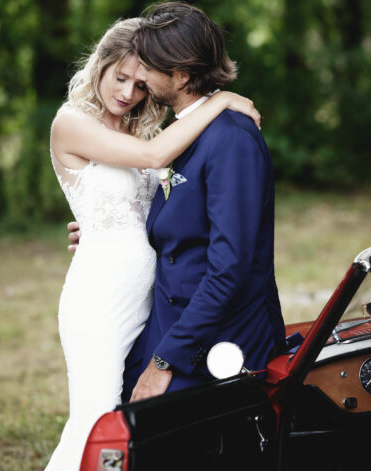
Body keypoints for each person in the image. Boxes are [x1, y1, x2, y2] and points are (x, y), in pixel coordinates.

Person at [47, 17, 261, 471]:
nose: (127, 92)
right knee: (98, 423)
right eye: (119, 77)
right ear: (99, 65)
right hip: (102, 300)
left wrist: (104, 227)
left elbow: (151, 207)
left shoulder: (136, 131)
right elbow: (153, 159)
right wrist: (219, 99)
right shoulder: (72, 122)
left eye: (140, 85)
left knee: (130, 421)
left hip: (149, 302)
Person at [120, 2, 286, 401]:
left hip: (222, 339)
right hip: (173, 322)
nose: (138, 76)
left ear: (180, 75)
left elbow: (230, 268)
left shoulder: (231, 139)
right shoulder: (187, 131)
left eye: (146, 66)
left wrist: (166, 362)